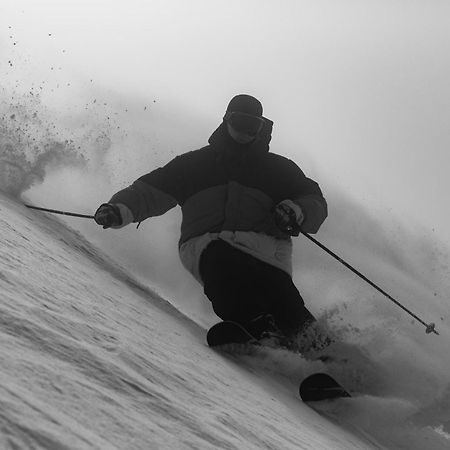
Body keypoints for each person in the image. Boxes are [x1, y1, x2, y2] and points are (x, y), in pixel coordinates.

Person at [94, 94, 328, 344]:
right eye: (239, 122)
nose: (245, 131)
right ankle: (254, 327)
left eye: (253, 125)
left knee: (283, 300)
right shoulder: (196, 165)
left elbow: (314, 201)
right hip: (205, 245)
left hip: (266, 251)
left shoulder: (279, 170)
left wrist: (295, 210)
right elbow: (149, 192)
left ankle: (329, 357)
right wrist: (119, 209)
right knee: (221, 263)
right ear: (226, 120)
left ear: (262, 127)